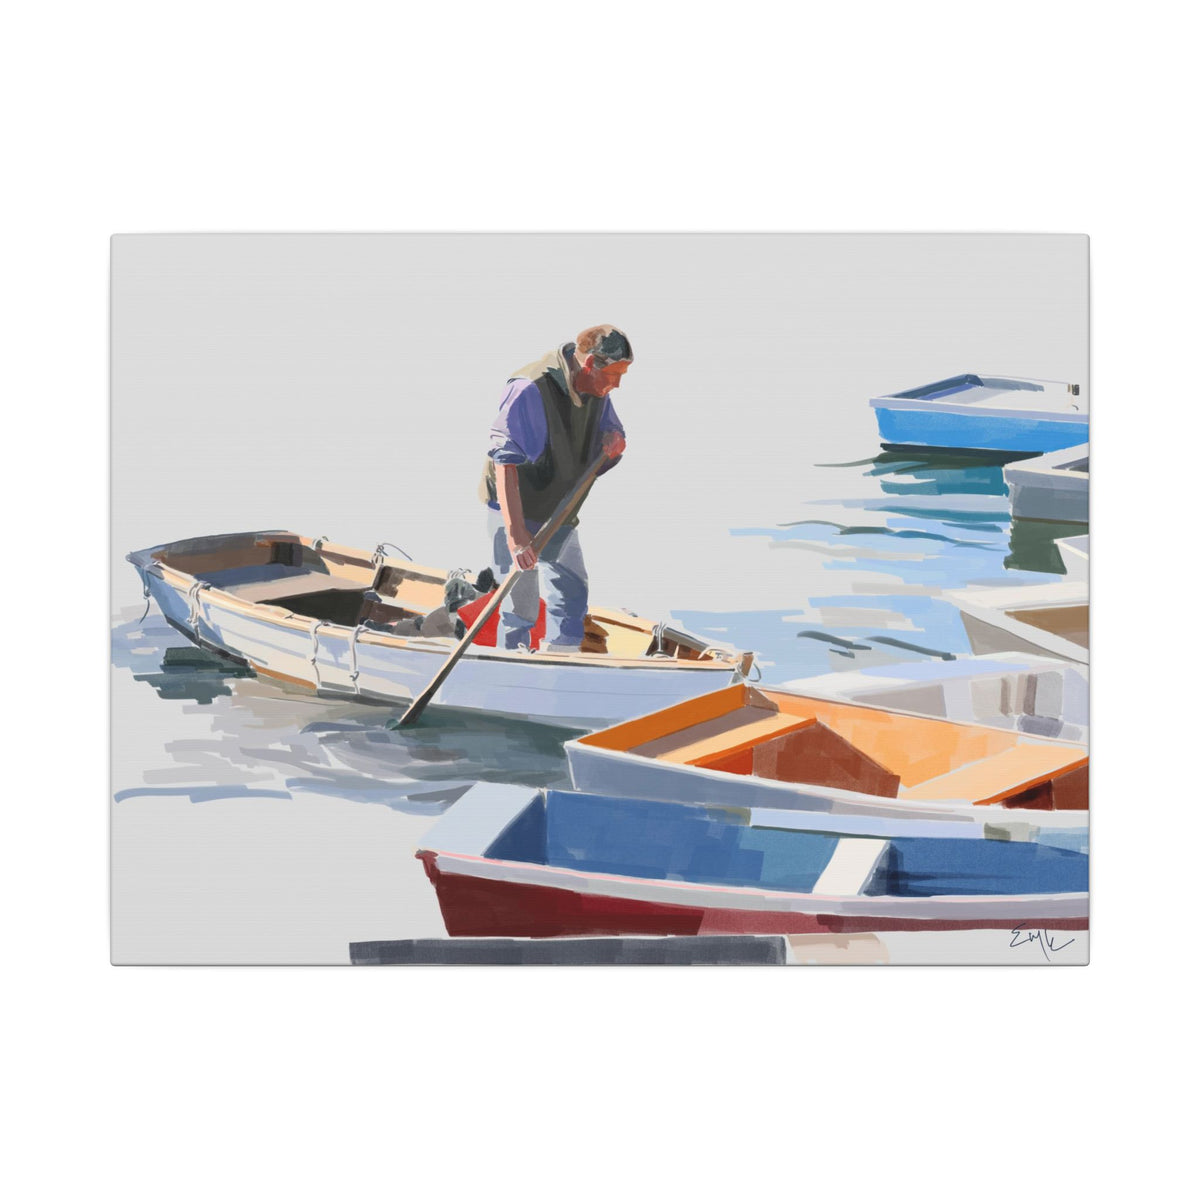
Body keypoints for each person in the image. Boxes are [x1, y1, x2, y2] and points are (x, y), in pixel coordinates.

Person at [479, 325, 632, 652]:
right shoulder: (531, 388)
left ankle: (563, 659)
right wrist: (516, 534)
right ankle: (513, 662)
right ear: (590, 365)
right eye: (614, 375)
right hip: (515, 507)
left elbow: (611, 433)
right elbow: (504, 462)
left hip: (560, 507)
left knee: (571, 593)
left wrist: (614, 441)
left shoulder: (597, 390)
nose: (617, 384)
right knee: (519, 605)